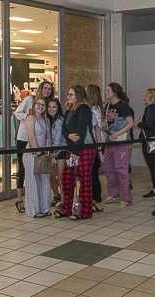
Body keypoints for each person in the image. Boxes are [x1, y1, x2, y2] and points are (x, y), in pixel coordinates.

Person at [54, 85, 97, 220]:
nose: (68, 96)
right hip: (72, 148)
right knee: (67, 178)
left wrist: (75, 151)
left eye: (71, 94)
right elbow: (64, 129)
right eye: (68, 94)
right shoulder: (70, 110)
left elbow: (82, 132)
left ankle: (84, 211)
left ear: (78, 95)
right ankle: (66, 208)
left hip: (84, 149)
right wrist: (68, 136)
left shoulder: (84, 108)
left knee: (84, 180)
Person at [12, 81, 54, 213]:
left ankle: (40, 201)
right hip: (24, 138)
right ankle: (20, 200)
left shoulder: (47, 105)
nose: (46, 91)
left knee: (40, 171)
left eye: (49, 89)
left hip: (40, 142)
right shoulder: (29, 100)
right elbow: (17, 113)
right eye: (45, 88)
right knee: (23, 170)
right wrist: (31, 117)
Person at [102, 83, 134, 206]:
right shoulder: (109, 105)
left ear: (114, 92)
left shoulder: (123, 106)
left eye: (108, 90)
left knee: (121, 168)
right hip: (110, 141)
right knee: (107, 167)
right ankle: (113, 192)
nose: (106, 93)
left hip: (121, 141)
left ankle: (127, 196)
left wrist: (117, 133)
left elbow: (130, 123)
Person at [23, 98, 51, 218]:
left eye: (43, 105)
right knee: (33, 182)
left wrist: (47, 151)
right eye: (38, 104)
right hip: (32, 153)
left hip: (44, 153)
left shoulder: (45, 120)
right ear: (34, 105)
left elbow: (48, 137)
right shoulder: (30, 118)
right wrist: (39, 152)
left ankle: (44, 208)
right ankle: (33, 210)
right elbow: (31, 137)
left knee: (44, 180)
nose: (41, 106)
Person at [139, 88, 155, 199]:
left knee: (152, 165)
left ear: (151, 97)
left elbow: (148, 124)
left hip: (149, 140)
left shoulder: (150, 109)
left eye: (146, 95)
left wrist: (138, 123)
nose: (144, 97)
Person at [86, 84, 105, 211]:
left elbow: (97, 129)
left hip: (95, 143)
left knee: (93, 174)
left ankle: (97, 201)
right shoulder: (98, 108)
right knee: (92, 174)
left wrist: (98, 149)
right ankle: (94, 200)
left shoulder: (93, 109)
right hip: (98, 142)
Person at [47, 99, 66, 207]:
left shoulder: (59, 121)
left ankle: (63, 201)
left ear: (58, 108)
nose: (51, 109)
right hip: (52, 152)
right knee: (51, 177)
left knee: (60, 178)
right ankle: (56, 196)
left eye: (54, 107)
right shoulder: (49, 120)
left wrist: (53, 155)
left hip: (60, 151)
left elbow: (58, 139)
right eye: (49, 107)